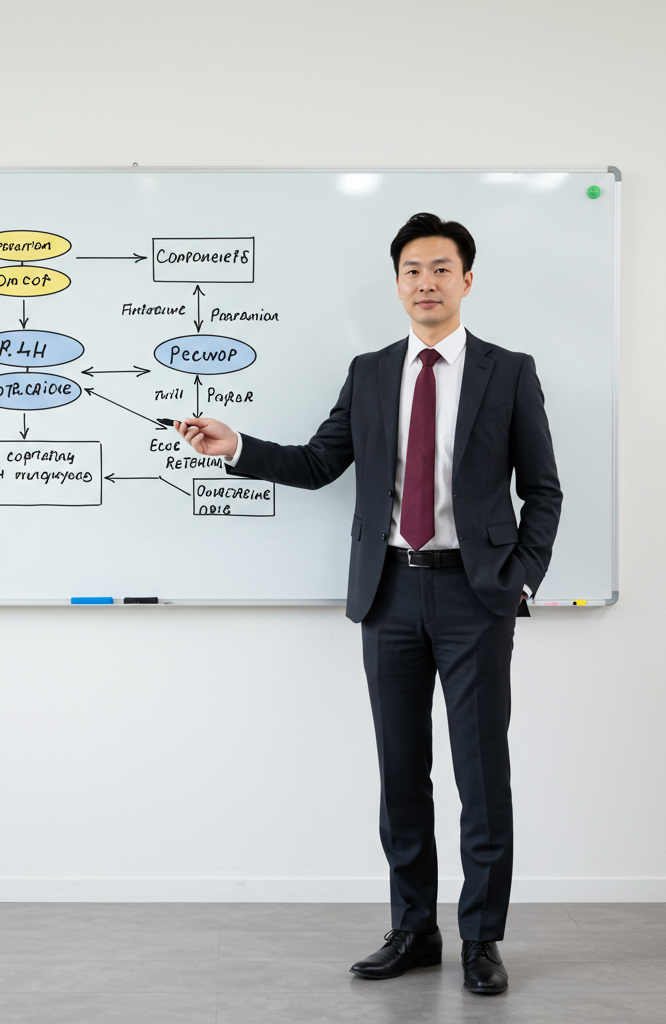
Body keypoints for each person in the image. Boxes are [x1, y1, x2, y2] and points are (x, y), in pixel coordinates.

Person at [175, 213, 562, 996]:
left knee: (482, 778)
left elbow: (543, 490)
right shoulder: (372, 369)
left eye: (441, 269)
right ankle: (414, 931)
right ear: (397, 283)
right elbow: (322, 463)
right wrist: (237, 446)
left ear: (467, 281)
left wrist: (518, 578)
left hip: (474, 597)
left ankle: (481, 940)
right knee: (401, 774)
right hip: (388, 593)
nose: (426, 282)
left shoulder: (509, 371)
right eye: (412, 270)